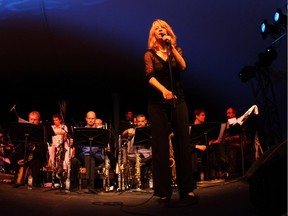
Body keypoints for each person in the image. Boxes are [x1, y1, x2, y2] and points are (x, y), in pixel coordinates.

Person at [144, 19, 199, 203]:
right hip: (158, 103)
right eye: (158, 29)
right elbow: (150, 76)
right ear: (153, 35)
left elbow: (183, 66)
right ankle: (163, 192)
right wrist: (164, 91)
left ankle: (187, 190)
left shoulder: (176, 50)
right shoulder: (149, 54)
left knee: (183, 143)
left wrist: (172, 47)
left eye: (164, 28)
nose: (161, 31)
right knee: (160, 147)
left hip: (178, 100)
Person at [121, 114, 152, 187]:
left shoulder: (150, 131)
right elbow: (123, 134)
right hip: (133, 156)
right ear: (136, 122)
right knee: (129, 161)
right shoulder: (133, 130)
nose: (140, 123)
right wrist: (127, 131)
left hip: (147, 156)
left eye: (142, 121)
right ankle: (133, 183)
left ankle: (152, 182)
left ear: (146, 122)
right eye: (139, 121)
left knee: (155, 159)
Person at [77, 111, 104, 192]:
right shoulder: (82, 131)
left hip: (97, 155)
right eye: (89, 118)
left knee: (90, 157)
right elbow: (79, 146)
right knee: (89, 158)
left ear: (95, 119)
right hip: (85, 155)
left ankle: (90, 185)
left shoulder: (100, 132)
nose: (91, 120)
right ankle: (90, 186)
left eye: (92, 118)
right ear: (86, 119)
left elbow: (102, 145)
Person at [48, 114, 69, 180]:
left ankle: (64, 168)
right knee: (50, 148)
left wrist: (56, 132)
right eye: (54, 120)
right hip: (54, 145)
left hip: (62, 144)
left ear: (60, 120)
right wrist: (58, 132)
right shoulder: (52, 127)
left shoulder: (64, 127)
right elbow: (49, 133)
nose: (55, 122)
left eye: (56, 120)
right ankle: (53, 168)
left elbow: (64, 133)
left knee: (67, 149)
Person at [190, 109, 207, 182]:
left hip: (202, 147)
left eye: (204, 115)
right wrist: (197, 146)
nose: (204, 117)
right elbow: (187, 142)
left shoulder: (204, 127)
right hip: (193, 147)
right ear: (197, 116)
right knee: (193, 152)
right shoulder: (191, 127)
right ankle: (194, 177)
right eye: (202, 115)